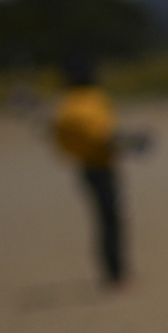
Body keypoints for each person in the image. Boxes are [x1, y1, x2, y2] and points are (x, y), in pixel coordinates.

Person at [48, 55, 129, 286]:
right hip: (101, 166)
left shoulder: (68, 102)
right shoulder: (92, 100)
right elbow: (102, 134)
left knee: (104, 219)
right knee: (110, 219)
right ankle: (116, 274)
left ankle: (115, 271)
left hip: (86, 166)